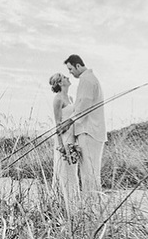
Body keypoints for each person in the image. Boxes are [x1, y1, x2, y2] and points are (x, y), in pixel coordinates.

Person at [57, 54, 106, 194]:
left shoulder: (87, 80)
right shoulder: (89, 79)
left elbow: (84, 105)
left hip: (89, 131)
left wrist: (69, 121)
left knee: (89, 174)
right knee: (90, 173)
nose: (70, 73)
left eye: (71, 69)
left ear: (78, 66)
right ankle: (93, 206)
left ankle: (92, 207)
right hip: (89, 131)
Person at [49, 73, 80, 211]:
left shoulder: (71, 98)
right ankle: (61, 203)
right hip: (64, 137)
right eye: (65, 78)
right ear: (60, 83)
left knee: (73, 170)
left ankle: (73, 202)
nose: (68, 78)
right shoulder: (58, 99)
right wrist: (61, 146)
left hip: (72, 136)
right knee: (64, 169)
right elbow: (57, 124)